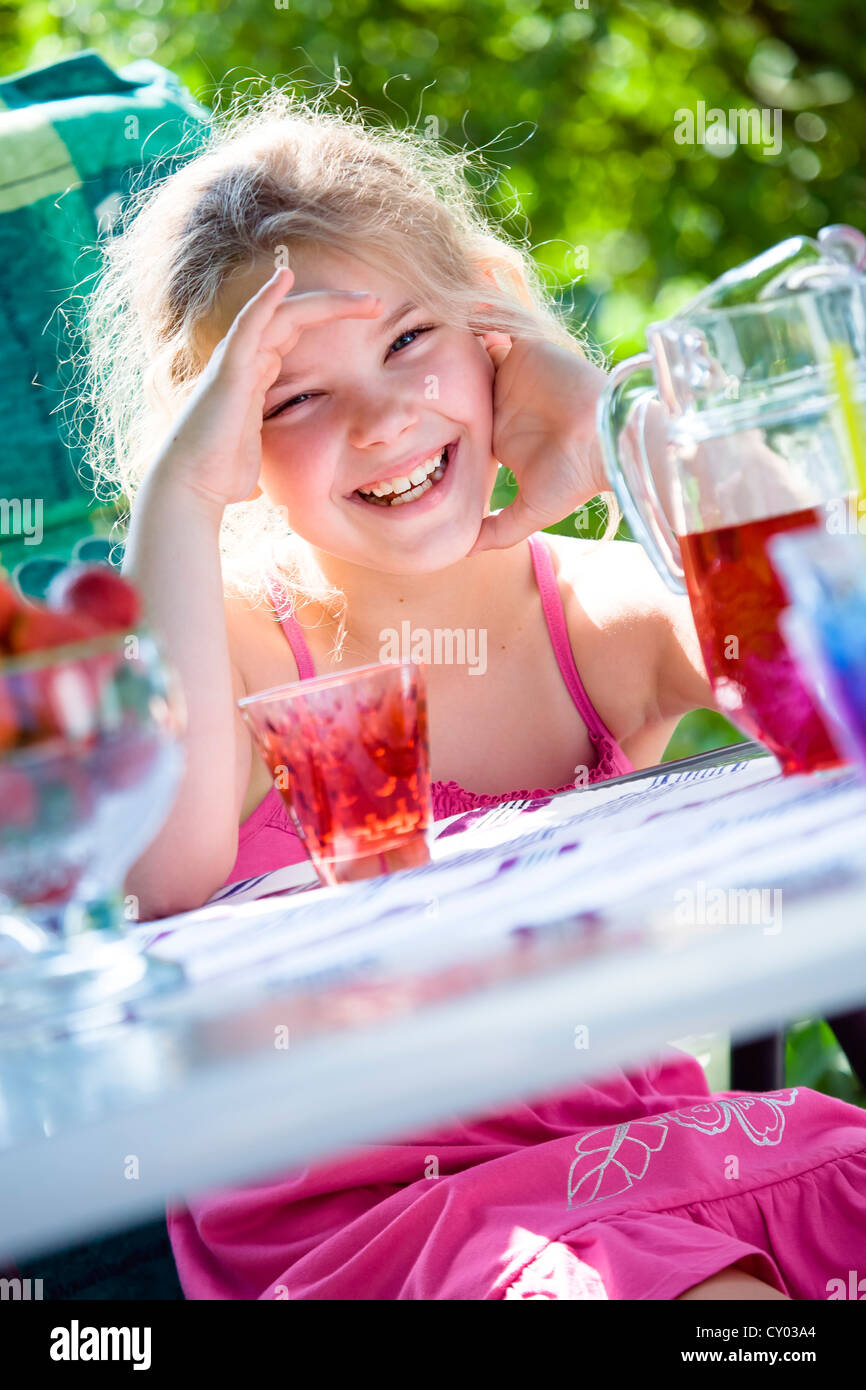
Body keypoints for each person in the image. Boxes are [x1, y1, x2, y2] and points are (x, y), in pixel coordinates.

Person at [82, 91, 866, 1300]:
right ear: (220, 427)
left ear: (491, 326)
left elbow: (834, 678)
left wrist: (610, 412)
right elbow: (160, 879)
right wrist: (177, 499)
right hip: (384, 1228)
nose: (387, 418)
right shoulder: (232, 655)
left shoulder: (597, 620)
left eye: (411, 342)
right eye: (294, 396)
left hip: (663, 1162)